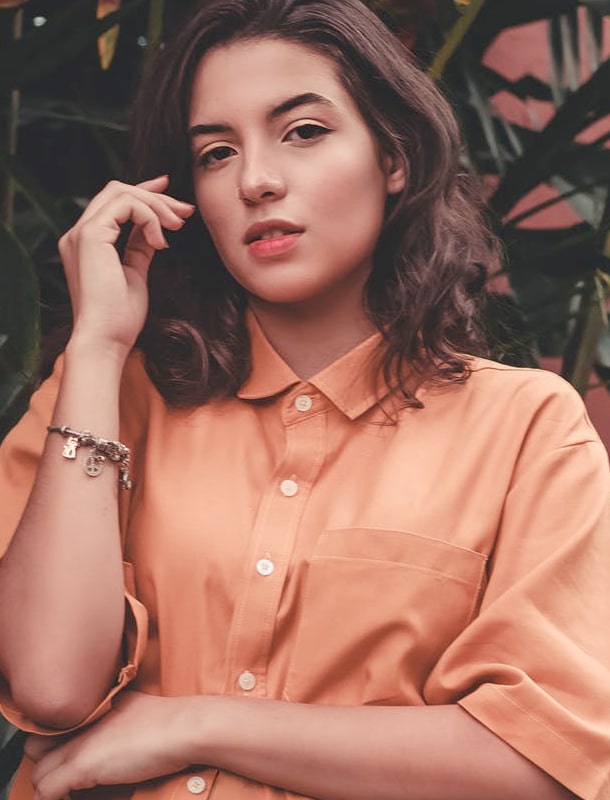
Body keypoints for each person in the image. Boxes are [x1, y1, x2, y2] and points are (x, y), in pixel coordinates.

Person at [0, 0, 608, 798]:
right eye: (215, 153)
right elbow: (49, 684)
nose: (256, 179)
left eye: (304, 132)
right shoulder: (104, 399)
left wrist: (193, 722)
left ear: (394, 158)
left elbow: (542, 760)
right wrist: (97, 347)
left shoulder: (527, 426)